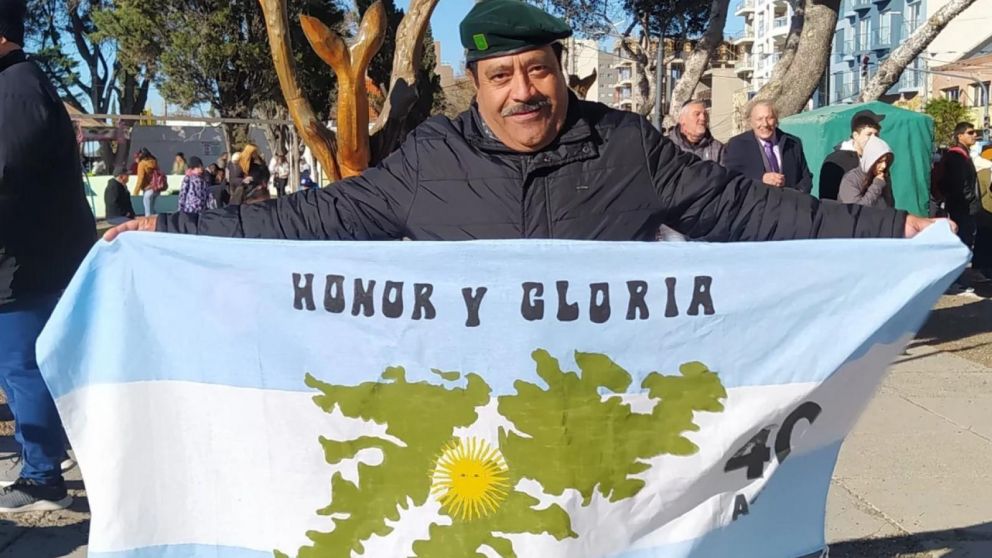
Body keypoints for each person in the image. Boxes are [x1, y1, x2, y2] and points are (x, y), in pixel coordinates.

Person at [106, 0, 940, 247]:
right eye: (501, 77)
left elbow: (751, 211)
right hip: (465, 432)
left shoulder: (628, 148)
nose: (523, 92)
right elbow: (308, 218)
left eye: (537, 70)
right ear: (476, 84)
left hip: (604, 421)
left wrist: (891, 228)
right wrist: (172, 230)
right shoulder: (429, 159)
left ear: (561, 70)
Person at [0, 0, 95, 512]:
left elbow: (6, 173)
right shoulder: (19, 83)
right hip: (27, 256)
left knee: (22, 367)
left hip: (25, 262)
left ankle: (43, 477)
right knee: (19, 367)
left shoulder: (15, 88)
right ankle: (43, 458)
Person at [724, 101, 813, 193]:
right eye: (759, 119)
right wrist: (761, 178)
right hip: (756, 200)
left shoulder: (793, 143)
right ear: (751, 122)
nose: (765, 124)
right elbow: (731, 180)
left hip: (789, 201)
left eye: (769, 118)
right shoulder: (737, 145)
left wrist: (795, 197)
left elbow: (805, 178)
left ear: (776, 120)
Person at [819, 110, 884, 201]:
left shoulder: (880, 161)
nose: (874, 139)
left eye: (876, 134)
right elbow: (827, 200)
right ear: (855, 135)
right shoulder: (837, 160)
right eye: (869, 134)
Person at [838, 136, 895, 209]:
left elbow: (889, 204)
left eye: (886, 161)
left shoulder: (883, 176)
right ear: (870, 160)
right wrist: (877, 185)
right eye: (879, 162)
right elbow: (855, 211)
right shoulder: (850, 180)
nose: (884, 166)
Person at [132, 148, 161, 216]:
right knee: (152, 209)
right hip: (156, 188)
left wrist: (136, 192)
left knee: (148, 212)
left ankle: (149, 221)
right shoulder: (154, 162)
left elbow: (140, 179)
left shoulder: (142, 164)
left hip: (148, 189)